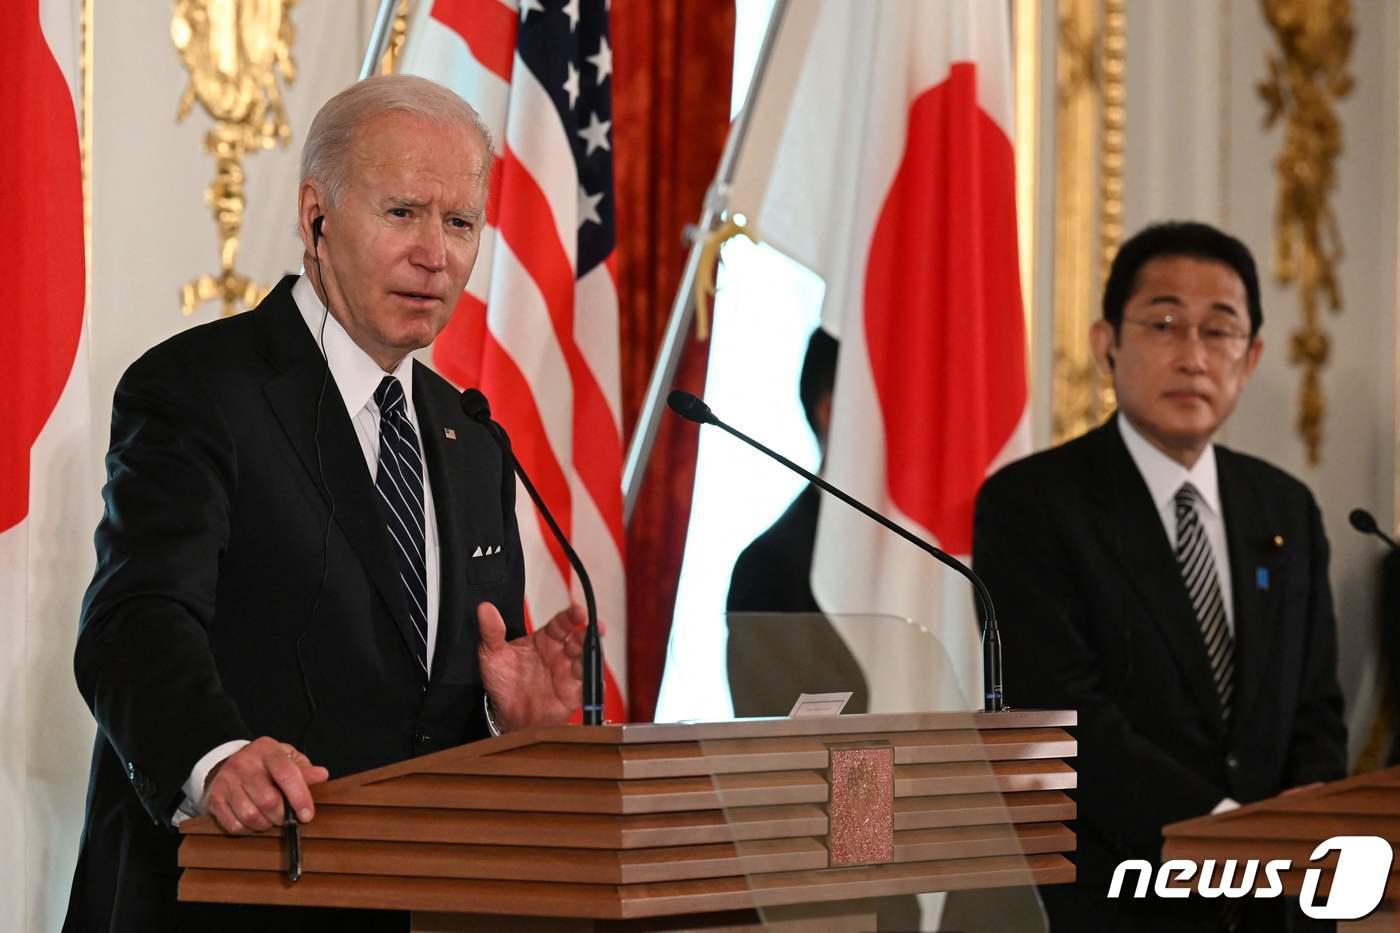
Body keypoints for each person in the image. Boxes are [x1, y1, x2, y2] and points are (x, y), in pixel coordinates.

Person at [64, 76, 595, 933]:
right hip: (220, 899)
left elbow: (422, 713)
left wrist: (512, 720)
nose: (437, 254)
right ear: (316, 216)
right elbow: (134, 618)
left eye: (460, 223)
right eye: (402, 213)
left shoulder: (470, 441)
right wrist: (215, 757)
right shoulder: (200, 389)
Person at [973, 221, 1347, 931]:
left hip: (1279, 908)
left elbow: (1316, 711)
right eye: (1164, 323)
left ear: (1252, 355)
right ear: (1106, 341)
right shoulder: (1033, 504)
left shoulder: (1286, 507)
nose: (1193, 356)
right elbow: (1061, 711)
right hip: (1118, 898)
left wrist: (1296, 841)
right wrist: (1227, 837)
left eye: (1219, 330)